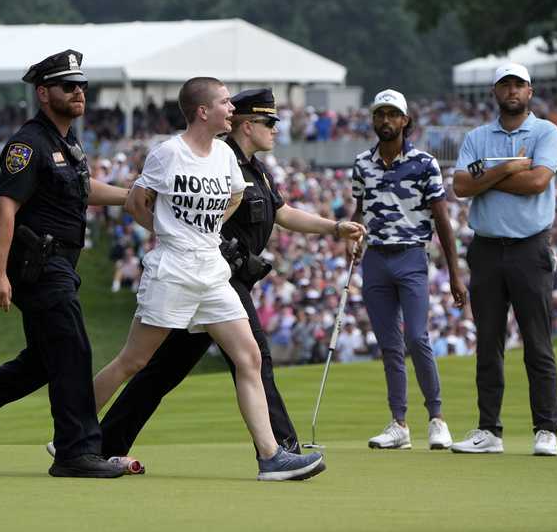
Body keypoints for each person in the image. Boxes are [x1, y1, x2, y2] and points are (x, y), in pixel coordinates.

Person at [95, 89, 364, 463]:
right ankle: (78, 435)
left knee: (215, 363)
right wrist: (170, 230)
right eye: (269, 122)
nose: (275, 129)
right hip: (193, 270)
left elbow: (278, 212)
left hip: (215, 276)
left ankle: (274, 455)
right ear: (247, 125)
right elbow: (141, 201)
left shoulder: (246, 166)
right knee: (146, 362)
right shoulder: (185, 154)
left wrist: (334, 228)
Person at [0, 50, 130, 478]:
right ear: (43, 93)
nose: (78, 92)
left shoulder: (67, 142)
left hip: (59, 263)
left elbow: (83, 188)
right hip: (38, 263)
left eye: (82, 86)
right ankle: (76, 452)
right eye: (67, 86)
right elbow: (6, 208)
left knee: (45, 359)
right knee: (74, 349)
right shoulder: (28, 143)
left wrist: (130, 195)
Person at [451, 63, 557, 456]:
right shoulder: (477, 136)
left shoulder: (546, 132)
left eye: (519, 85)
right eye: (505, 85)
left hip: (529, 248)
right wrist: (510, 166)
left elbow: (537, 183)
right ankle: (489, 430)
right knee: (488, 342)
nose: (512, 91)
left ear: (529, 91)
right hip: (485, 248)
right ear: (495, 92)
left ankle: (546, 428)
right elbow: (461, 186)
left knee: (537, 342)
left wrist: (489, 176)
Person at [349, 89, 465, 451]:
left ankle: (437, 418)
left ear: (405, 121)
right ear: (374, 120)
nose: (385, 120)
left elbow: (443, 222)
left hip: (412, 258)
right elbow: (359, 209)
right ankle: (399, 424)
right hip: (375, 259)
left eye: (392, 115)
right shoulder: (361, 164)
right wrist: (351, 234)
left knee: (417, 337)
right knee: (389, 345)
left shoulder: (426, 163)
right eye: (379, 114)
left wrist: (456, 275)